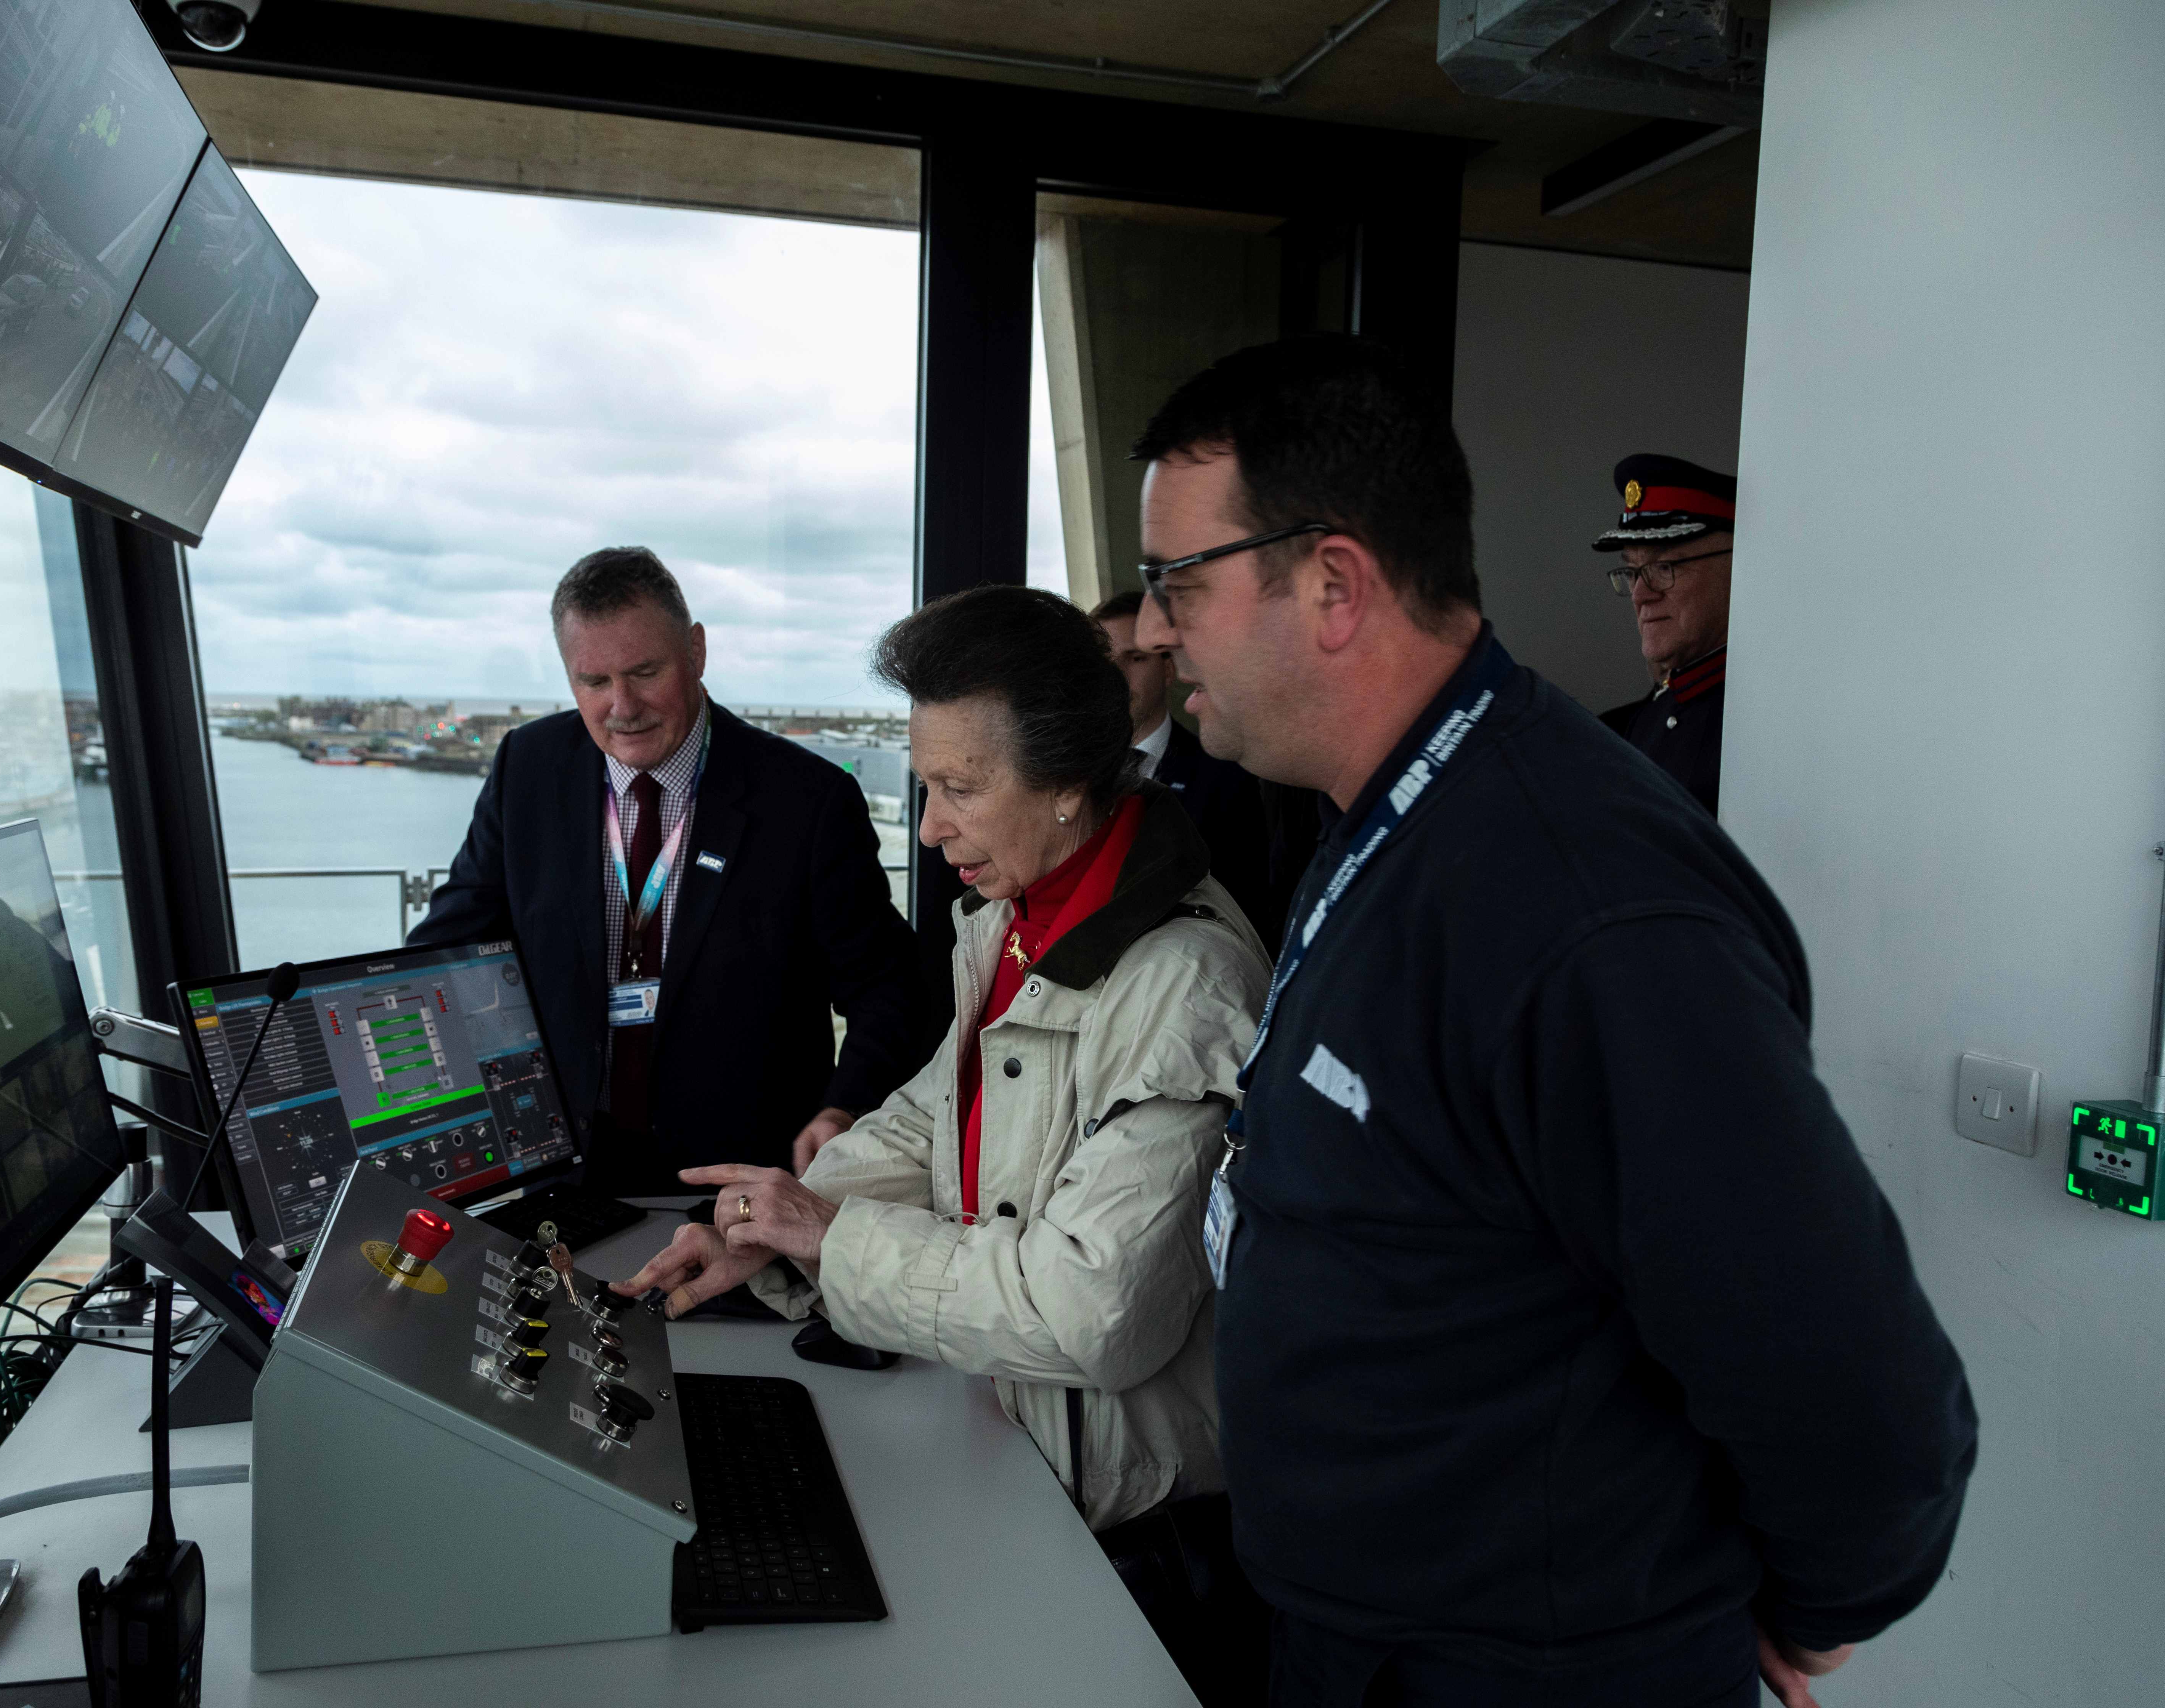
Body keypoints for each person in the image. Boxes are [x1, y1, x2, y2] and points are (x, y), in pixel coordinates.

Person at [1130, 337, 1977, 1708]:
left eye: (1179, 581)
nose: (1156, 626)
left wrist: (1809, 1597)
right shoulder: (1392, 817)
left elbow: (1848, 1379)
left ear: (1331, 583)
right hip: (1362, 1632)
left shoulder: (1582, 903)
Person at [615, 584, 1275, 1704]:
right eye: (925, 783)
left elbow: (1091, 1312)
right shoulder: (1011, 921)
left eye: (959, 789)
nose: (927, 827)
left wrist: (834, 1239)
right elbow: (930, 1116)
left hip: (1128, 1543)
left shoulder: (1185, 990)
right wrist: (767, 1232)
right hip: (1013, 1451)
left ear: (1070, 784)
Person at [411, 547, 929, 1195]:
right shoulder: (528, 766)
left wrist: (844, 1109)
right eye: (593, 683)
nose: (622, 707)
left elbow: (890, 989)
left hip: (743, 1179)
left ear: (697, 652)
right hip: (565, 1164)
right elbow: (450, 947)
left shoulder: (806, 800)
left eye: (645, 672)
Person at [1091, 589, 1286, 947]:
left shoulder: (1229, 776)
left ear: (1168, 670)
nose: (1116, 676)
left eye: (1134, 659)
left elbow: (1254, 905)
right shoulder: (1071, 780)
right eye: (1104, 661)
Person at [1595, 454, 1737, 814]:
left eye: (1665, 567)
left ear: (1738, 564)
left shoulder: (1757, 719)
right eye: (1632, 572)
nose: (1641, 595)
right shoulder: (1636, 723)